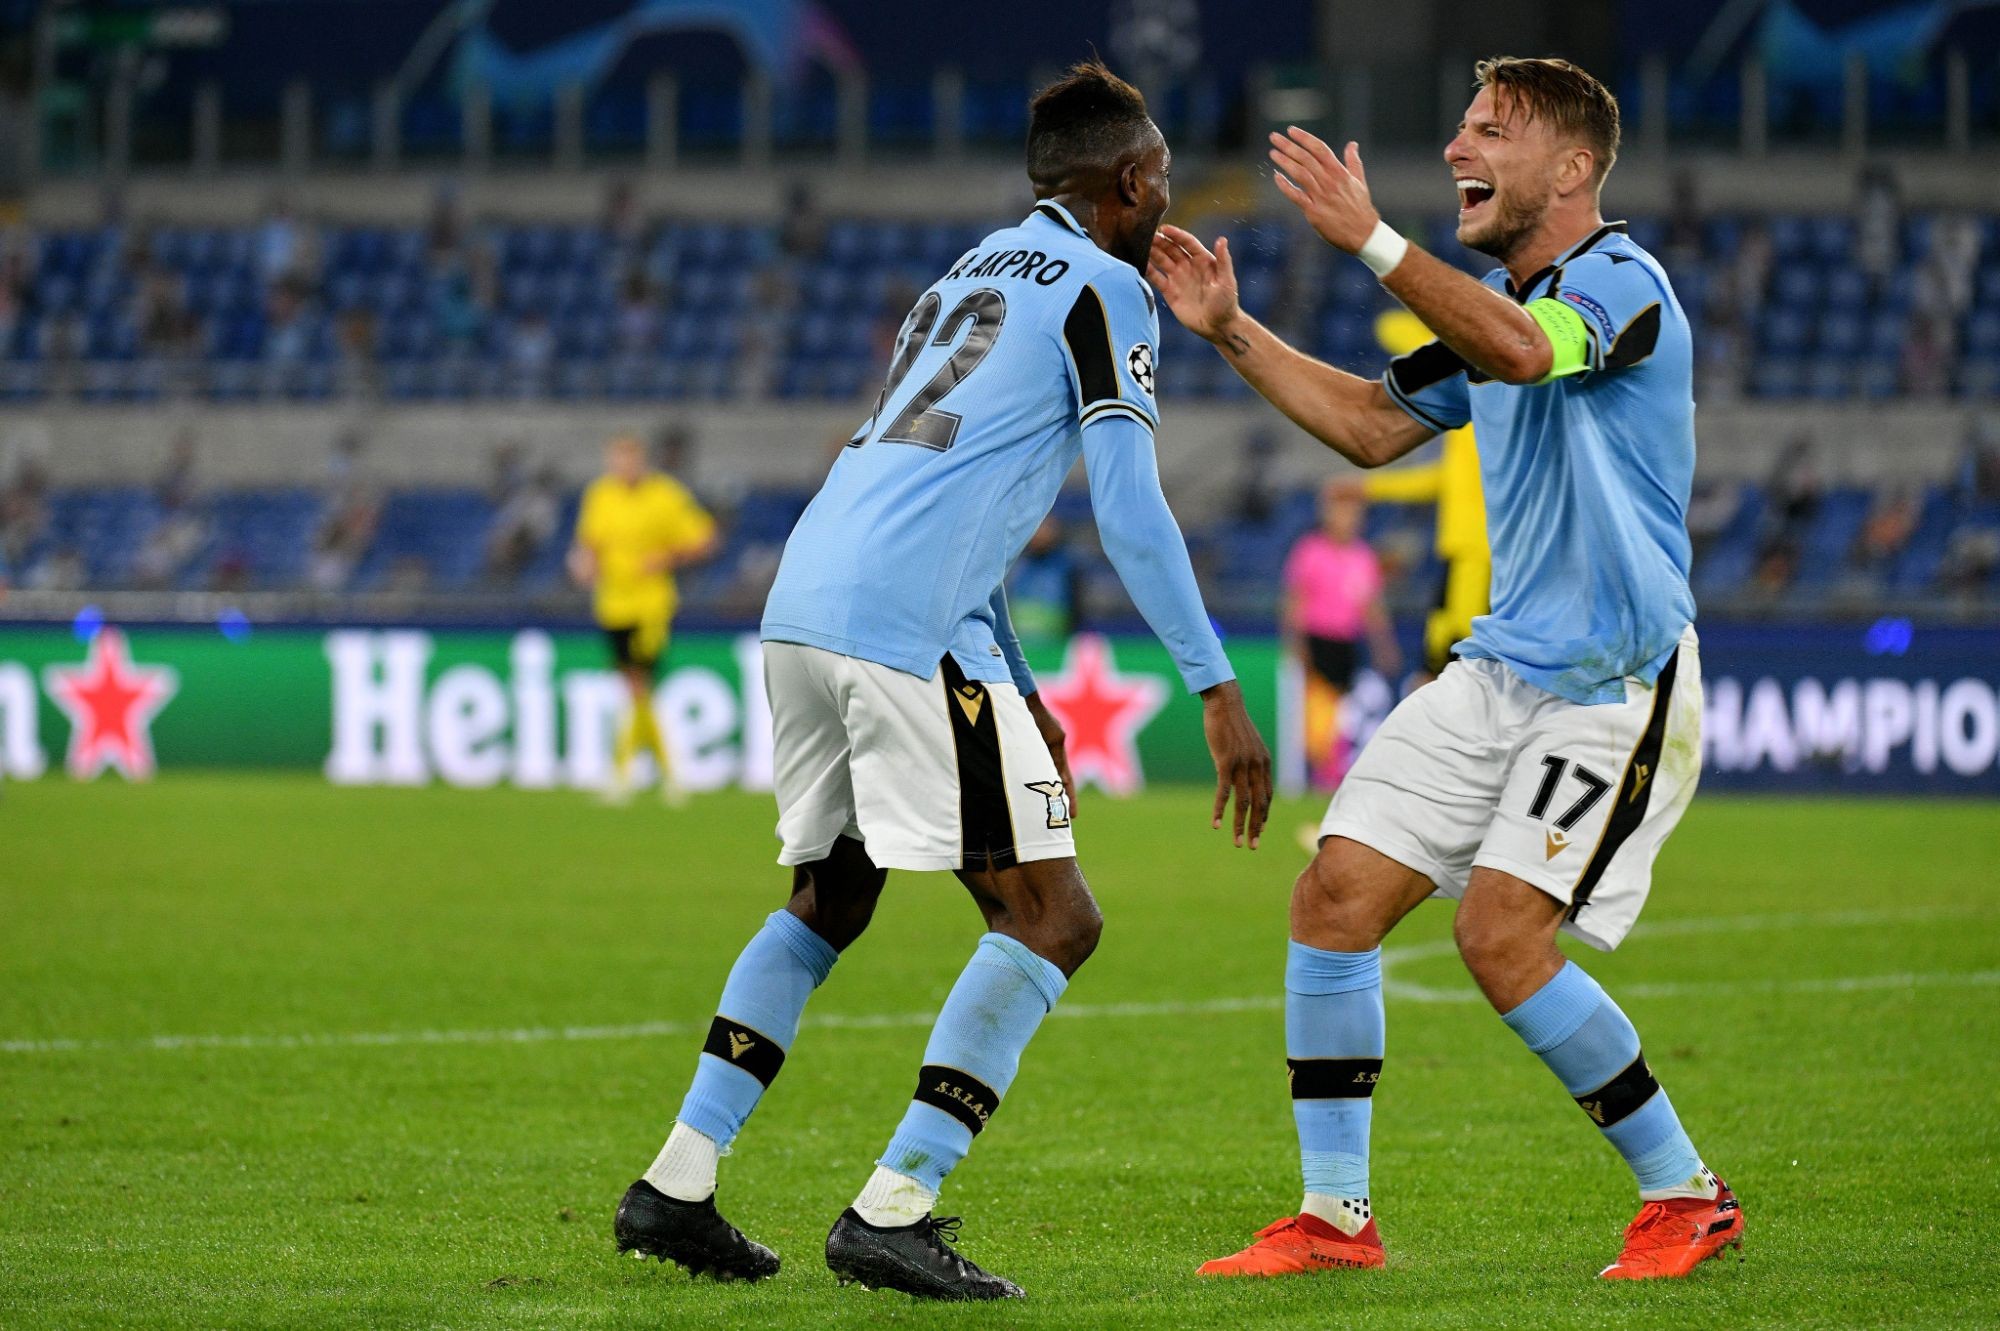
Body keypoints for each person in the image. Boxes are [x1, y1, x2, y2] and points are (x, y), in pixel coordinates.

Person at [612, 59, 1272, 1301]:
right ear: (1131, 181)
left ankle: (676, 1184)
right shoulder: (1104, 288)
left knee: (831, 894)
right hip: (899, 625)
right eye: (1161, 181)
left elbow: (964, 510)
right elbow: (1128, 509)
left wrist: (1021, 690)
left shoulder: (964, 273)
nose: (1165, 200)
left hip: (806, 599)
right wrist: (1215, 685)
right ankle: (892, 1207)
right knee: (1052, 917)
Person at [1148, 55, 1738, 1282]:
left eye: (1490, 131)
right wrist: (1232, 331)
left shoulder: (1618, 283)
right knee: (1332, 897)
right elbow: (1371, 425)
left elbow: (1524, 352)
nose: (1458, 148)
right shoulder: (1487, 310)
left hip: (1614, 684)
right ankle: (1333, 1216)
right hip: (1499, 667)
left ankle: (1685, 1193)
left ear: (1571, 168)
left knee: (1498, 935)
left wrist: (1371, 241)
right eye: (1460, 127)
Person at [568, 434, 717, 805]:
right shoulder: (600, 495)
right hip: (611, 604)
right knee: (636, 689)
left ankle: (629, 774)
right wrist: (584, 564)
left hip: (651, 605)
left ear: (642, 461)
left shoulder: (665, 495)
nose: (624, 467)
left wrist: (667, 557)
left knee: (639, 684)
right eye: (617, 460)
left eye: (630, 460)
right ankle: (668, 774)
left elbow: (706, 539)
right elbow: (590, 544)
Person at [1359, 308, 1489, 680]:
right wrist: (1368, 488)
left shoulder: (1479, 413)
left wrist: (1437, 334)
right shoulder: (1476, 414)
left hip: (1476, 551)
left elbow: (1388, 325)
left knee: (1456, 647)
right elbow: (1442, 480)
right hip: (1467, 548)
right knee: (1445, 642)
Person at [1281, 480, 1399, 790]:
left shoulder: (1363, 556)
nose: (1349, 519)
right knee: (1318, 712)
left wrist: (1384, 646)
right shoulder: (1310, 550)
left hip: (1347, 643)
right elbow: (1296, 601)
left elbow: (1371, 607)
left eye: (1354, 513)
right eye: (1342, 512)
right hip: (1317, 640)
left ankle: (1336, 772)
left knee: (1345, 714)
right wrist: (1295, 644)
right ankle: (1320, 773)